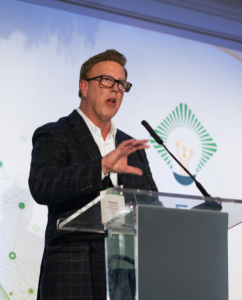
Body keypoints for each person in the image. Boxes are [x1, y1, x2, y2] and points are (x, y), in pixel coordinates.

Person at [29, 49, 157, 300]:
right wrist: (102, 167)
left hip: (124, 277)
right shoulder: (55, 134)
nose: (115, 89)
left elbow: (152, 205)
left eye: (121, 84)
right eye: (107, 80)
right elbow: (42, 185)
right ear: (84, 87)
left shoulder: (131, 146)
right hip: (72, 275)